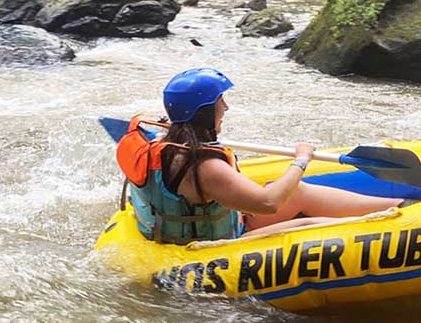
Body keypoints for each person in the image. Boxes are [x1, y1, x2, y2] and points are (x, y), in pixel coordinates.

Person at [117, 68, 404, 244]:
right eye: (220, 102)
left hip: (189, 225)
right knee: (307, 225)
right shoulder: (203, 166)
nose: (226, 108)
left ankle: (401, 205)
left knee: (299, 192)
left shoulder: (164, 141)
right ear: (203, 112)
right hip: (213, 243)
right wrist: (301, 159)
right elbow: (269, 203)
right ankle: (398, 228)